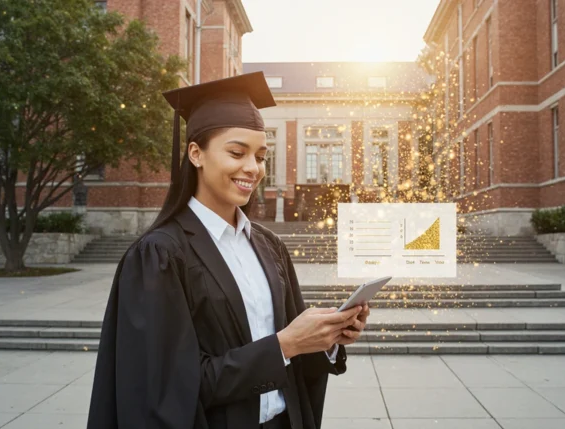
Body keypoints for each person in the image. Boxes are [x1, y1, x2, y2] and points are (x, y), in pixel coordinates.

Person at [87, 72, 370, 429]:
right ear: (196, 153)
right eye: (237, 152)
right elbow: (168, 390)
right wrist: (282, 346)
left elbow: (293, 359)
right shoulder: (160, 256)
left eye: (261, 156)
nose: (252, 168)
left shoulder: (270, 247)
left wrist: (326, 338)